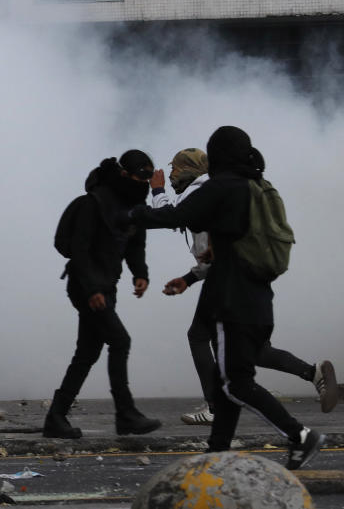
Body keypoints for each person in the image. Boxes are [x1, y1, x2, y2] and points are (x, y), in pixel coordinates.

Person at [130, 126, 324, 470]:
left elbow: (176, 216)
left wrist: (132, 213)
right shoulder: (256, 187)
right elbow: (227, 243)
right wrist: (191, 278)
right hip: (256, 294)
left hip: (231, 299)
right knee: (228, 381)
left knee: (235, 382)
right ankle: (216, 453)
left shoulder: (221, 186)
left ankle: (299, 435)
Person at [150, 148, 337, 426]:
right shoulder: (218, 190)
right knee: (253, 350)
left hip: (229, 281)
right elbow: (209, 250)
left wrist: (156, 189)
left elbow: (167, 215)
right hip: (246, 278)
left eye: (175, 168)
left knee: (199, 336)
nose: (173, 174)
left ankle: (217, 407)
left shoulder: (201, 189)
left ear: (190, 169)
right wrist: (189, 279)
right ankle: (313, 373)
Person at [43, 150, 162, 439]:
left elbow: (135, 245)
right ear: (124, 173)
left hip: (106, 286)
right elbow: (81, 250)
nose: (146, 181)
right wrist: (92, 289)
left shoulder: (133, 205)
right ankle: (126, 414)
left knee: (87, 352)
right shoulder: (94, 203)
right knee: (120, 341)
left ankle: (56, 417)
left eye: (150, 175)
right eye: (142, 174)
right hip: (86, 286)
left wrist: (140, 274)